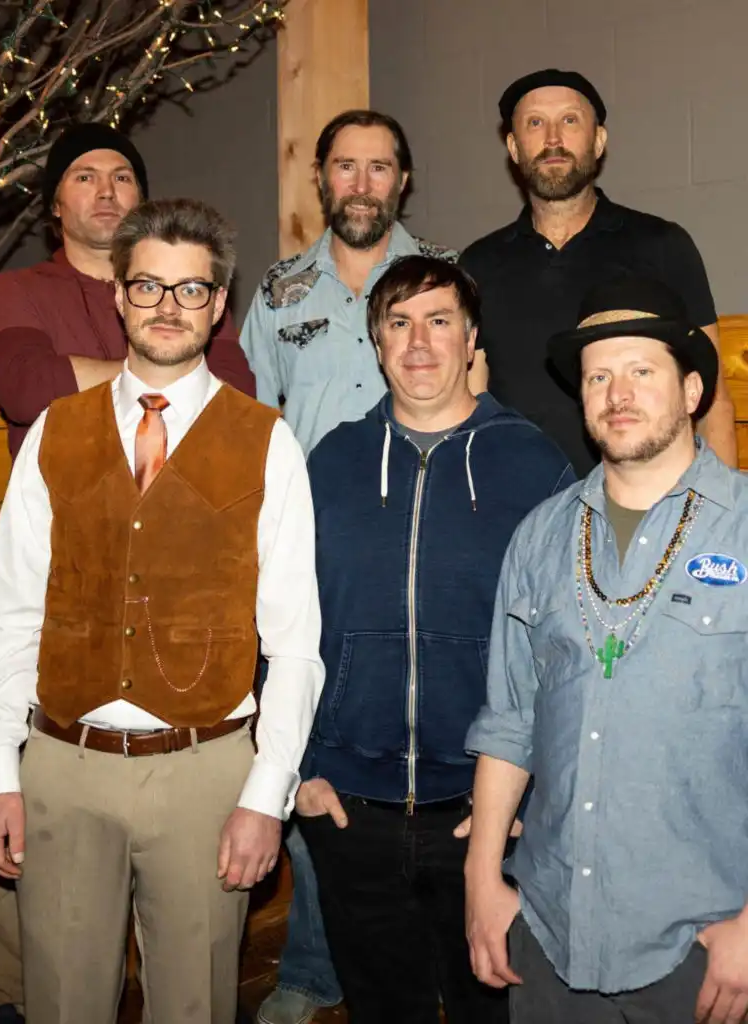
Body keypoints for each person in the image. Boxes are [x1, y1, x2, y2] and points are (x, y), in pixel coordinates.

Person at [0, 197, 324, 1024]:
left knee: (195, 1007)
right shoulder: (55, 430)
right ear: (119, 296)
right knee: (62, 1005)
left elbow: (296, 643)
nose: (168, 306)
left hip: (204, 769)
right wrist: (1, 773)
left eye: (191, 289)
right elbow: (9, 613)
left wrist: (264, 795)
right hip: (63, 764)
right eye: (148, 286)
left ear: (218, 305)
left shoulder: (267, 441)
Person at [295, 255, 572, 1022]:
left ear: (472, 339)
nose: (419, 343)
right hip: (349, 811)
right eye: (399, 323)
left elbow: (569, 649)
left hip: (487, 814)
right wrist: (303, 771)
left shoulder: (534, 465)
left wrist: (536, 794)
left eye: (440, 321)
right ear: (377, 343)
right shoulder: (330, 463)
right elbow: (281, 621)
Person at [464, 276, 748, 1023]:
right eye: (598, 377)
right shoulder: (541, 534)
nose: (617, 393)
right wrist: (481, 880)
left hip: (704, 947)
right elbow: (509, 721)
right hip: (549, 935)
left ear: (692, 391)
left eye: (641, 371)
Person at [240, 108, 458, 1024]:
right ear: (322, 178)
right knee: (305, 750)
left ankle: (438, 957)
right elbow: (252, 422)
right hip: (315, 557)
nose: (362, 184)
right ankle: (311, 967)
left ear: (402, 179)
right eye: (345, 166)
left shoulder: (446, 276)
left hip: (422, 549)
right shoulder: (278, 292)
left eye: (379, 166)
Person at [460, 68, 736, 477]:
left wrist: (726, 510)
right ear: (514, 148)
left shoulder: (662, 246)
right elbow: (470, 405)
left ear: (599, 140)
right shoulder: (478, 264)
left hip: (647, 503)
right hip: (516, 504)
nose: (553, 138)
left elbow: (713, 400)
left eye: (570, 120)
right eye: (535, 123)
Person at [0, 122, 254, 459]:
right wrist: (171, 371)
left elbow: (235, 391)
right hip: (66, 483)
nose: (106, 192)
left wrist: (79, 376)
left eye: (122, 178)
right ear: (55, 203)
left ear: (140, 200)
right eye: (85, 177)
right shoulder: (16, 289)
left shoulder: (189, 288)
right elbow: (27, 389)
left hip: (188, 478)